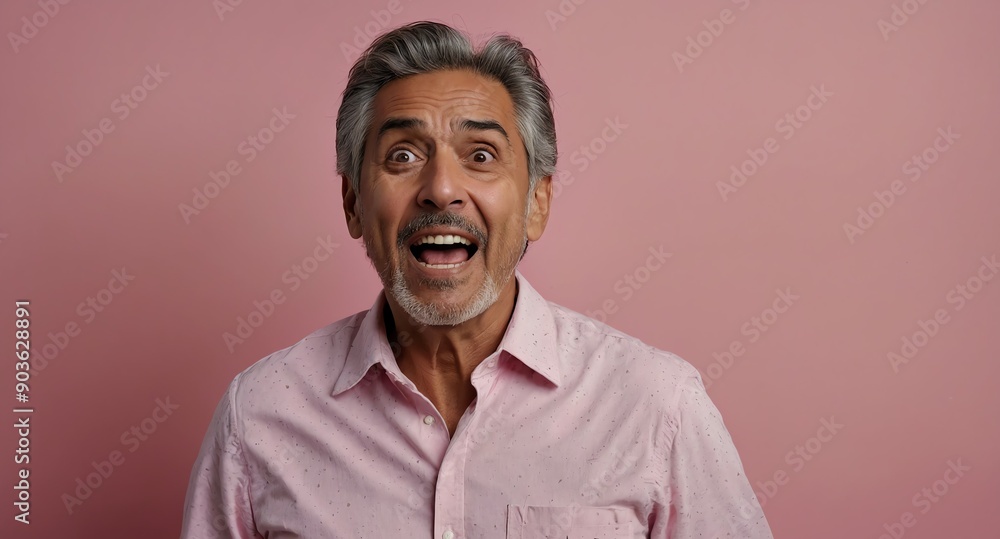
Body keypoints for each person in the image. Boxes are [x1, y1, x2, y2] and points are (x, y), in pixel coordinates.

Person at [181, 20, 774, 538]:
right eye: (403, 156)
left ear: (538, 201)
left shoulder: (656, 407)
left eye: (482, 155)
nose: (441, 188)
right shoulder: (259, 415)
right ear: (353, 202)